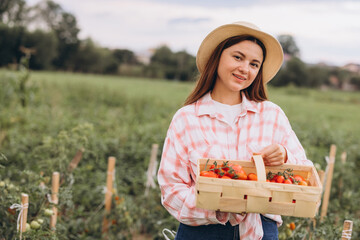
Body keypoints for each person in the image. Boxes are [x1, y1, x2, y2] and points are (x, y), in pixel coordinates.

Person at [157, 21, 313, 240]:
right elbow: (171, 188)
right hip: (203, 232)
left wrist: (285, 156)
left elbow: (305, 172)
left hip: (260, 230)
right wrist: (218, 207)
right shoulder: (187, 118)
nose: (244, 69)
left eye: (254, 64)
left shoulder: (271, 115)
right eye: (238, 57)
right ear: (218, 56)